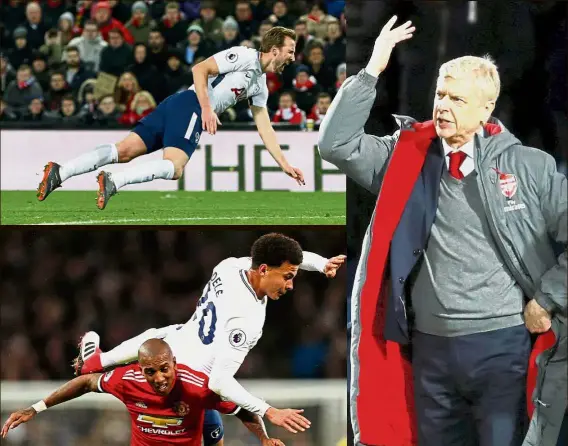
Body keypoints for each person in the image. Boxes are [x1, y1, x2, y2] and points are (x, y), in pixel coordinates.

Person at [319, 15, 566, 446]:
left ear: (486, 108)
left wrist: (548, 298)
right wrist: (372, 68)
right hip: (428, 350)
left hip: (501, 346)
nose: (443, 106)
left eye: (457, 99)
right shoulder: (403, 158)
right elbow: (334, 144)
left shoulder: (530, 166)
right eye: (440, 94)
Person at [74, 233, 345, 433]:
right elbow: (219, 382)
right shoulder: (246, 319)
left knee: (161, 334)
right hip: (187, 383)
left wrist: (321, 264)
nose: (291, 285)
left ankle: (97, 361)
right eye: (288, 276)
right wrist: (268, 410)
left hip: (176, 347)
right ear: (263, 270)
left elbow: (285, 258)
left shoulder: (230, 266)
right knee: (214, 422)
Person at [37, 26, 305, 210]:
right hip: (191, 106)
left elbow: (264, 126)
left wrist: (284, 164)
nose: (292, 57)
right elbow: (200, 69)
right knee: (175, 168)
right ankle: (115, 181)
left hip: (178, 105)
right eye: (290, 50)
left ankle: (60, 172)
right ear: (274, 50)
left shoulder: (259, 85)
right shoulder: (245, 55)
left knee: (125, 150)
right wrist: (207, 109)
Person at [1, 338, 285, 446]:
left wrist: (264, 438)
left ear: (174, 364)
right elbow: (87, 383)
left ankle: (94, 352)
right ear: (141, 367)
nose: (158, 378)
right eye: (150, 371)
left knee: (210, 414)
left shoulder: (197, 385)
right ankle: (93, 354)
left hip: (202, 413)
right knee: (87, 371)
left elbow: (241, 408)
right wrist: (34, 408)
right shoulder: (130, 378)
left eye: (164, 369)